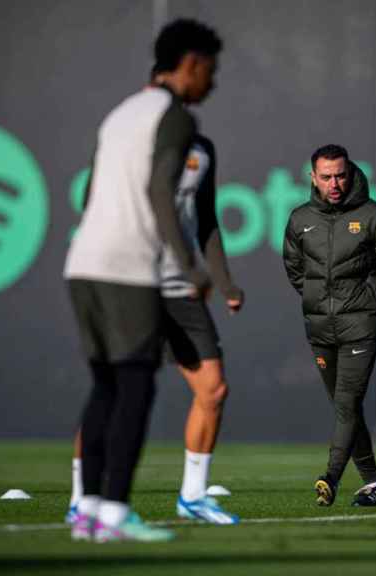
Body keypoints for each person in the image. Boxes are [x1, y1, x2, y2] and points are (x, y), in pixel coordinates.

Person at [63, 18, 220, 543]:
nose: (212, 85)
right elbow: (159, 194)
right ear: (191, 64)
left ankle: (86, 510)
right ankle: (113, 512)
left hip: (83, 264)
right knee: (135, 385)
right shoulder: (175, 117)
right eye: (210, 71)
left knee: (107, 384)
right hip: (128, 268)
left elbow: (90, 193)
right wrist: (191, 265)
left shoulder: (121, 113)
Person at [65, 132, 243, 526]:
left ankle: (194, 496)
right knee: (113, 389)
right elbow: (89, 199)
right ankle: (82, 498)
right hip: (132, 281)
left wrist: (224, 281)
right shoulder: (131, 141)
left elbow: (206, 218)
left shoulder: (201, 148)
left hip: (180, 287)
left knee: (213, 390)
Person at [283, 144, 376, 507]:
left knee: (346, 402)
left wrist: (372, 307)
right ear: (313, 178)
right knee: (346, 409)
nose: (334, 183)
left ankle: (331, 477)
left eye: (340, 175)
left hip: (362, 325)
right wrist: (317, 301)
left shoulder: (375, 216)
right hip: (321, 327)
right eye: (326, 177)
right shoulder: (299, 219)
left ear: (350, 172)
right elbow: (295, 271)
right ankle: (373, 484)